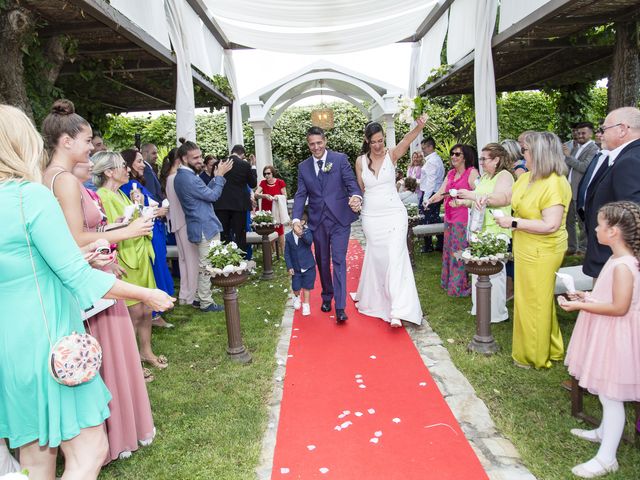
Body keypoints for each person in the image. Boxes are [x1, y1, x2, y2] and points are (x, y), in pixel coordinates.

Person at [0, 103, 173, 480]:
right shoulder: (29, 197)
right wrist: (146, 294)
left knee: (36, 459)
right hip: (52, 348)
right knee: (90, 451)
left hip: (10, 349)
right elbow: (77, 275)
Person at [41, 100, 157, 460]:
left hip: (97, 266)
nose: (93, 146)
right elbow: (74, 238)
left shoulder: (57, 178)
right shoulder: (62, 182)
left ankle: (118, 432)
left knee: (110, 355)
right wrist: (127, 232)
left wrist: (116, 230)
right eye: (88, 139)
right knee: (108, 357)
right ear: (66, 140)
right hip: (89, 278)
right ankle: (114, 436)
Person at [560, 201, 640, 478]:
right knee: (606, 393)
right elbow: (609, 297)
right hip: (609, 329)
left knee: (611, 395)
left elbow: (619, 307)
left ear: (614, 231)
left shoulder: (623, 266)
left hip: (618, 335)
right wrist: (587, 297)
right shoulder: (615, 259)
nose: (595, 228)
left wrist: (580, 306)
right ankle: (604, 431)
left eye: (600, 224)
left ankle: (607, 458)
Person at [495, 131, 571, 369]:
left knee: (534, 302)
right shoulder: (527, 178)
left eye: (525, 150)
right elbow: (508, 197)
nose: (521, 154)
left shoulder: (555, 183)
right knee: (538, 300)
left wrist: (513, 223)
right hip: (526, 246)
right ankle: (553, 347)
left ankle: (533, 356)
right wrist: (477, 197)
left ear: (539, 153)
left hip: (544, 249)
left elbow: (551, 224)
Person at [94, 151, 168, 371]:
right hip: (125, 259)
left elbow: (132, 221)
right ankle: (132, 362)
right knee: (133, 312)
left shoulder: (123, 194)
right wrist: (109, 262)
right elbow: (102, 232)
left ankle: (147, 351)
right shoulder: (102, 196)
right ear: (108, 171)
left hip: (140, 255)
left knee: (146, 308)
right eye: (122, 166)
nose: (127, 170)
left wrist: (139, 206)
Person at [354, 119, 426, 327]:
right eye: (374, 142)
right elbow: (361, 188)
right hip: (371, 217)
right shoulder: (360, 162)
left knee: (395, 257)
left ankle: (398, 309)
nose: (378, 145)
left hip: (394, 214)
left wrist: (419, 126)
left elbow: (406, 140)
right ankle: (380, 300)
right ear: (367, 141)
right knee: (380, 260)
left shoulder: (391, 155)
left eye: (381, 140)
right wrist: (356, 199)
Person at [292, 126, 362, 322]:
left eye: (319, 143)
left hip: (340, 219)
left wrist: (356, 196)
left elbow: (352, 184)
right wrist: (296, 219)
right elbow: (300, 194)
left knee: (339, 260)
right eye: (312, 144)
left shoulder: (339, 160)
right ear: (308, 145)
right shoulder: (303, 167)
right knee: (322, 261)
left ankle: (340, 307)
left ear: (325, 141)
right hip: (318, 221)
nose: (316, 147)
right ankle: (327, 295)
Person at [173, 139, 233, 313]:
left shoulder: (185, 176)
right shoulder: (188, 178)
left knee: (204, 265)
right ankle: (206, 302)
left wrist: (216, 178)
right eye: (195, 158)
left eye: (200, 156)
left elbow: (206, 193)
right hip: (204, 227)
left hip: (202, 226)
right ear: (184, 159)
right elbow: (213, 196)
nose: (200, 160)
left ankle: (200, 298)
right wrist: (220, 177)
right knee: (207, 266)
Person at [456, 143, 514, 323]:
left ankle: (497, 313)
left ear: (497, 159)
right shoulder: (486, 176)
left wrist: (471, 195)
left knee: (495, 273)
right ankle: (480, 308)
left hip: (496, 229)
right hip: (479, 228)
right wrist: (463, 202)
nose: (481, 162)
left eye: (484, 159)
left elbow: (500, 198)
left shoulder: (505, 176)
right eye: (480, 159)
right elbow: (480, 201)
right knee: (478, 271)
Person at [583, 107, 640, 279]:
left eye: (604, 129)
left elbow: (631, 216)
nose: (600, 135)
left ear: (622, 129)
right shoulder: (628, 156)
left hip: (615, 261)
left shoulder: (629, 160)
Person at [120, 149, 175, 328]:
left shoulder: (137, 182)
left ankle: (157, 310)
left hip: (155, 229)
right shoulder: (128, 187)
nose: (143, 165)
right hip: (147, 230)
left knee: (158, 265)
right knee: (156, 268)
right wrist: (156, 211)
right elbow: (136, 210)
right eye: (139, 162)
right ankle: (154, 313)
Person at [427, 144, 480, 297]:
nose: (453, 157)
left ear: (466, 157)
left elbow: (478, 194)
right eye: (452, 154)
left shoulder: (472, 173)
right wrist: (430, 200)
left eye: (457, 154)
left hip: (463, 219)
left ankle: (459, 287)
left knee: (459, 252)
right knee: (449, 251)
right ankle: (448, 283)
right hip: (449, 218)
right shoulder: (450, 173)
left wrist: (464, 200)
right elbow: (442, 193)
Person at [164, 149, 200, 307]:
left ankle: (185, 294)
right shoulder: (177, 179)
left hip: (176, 222)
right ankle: (191, 295)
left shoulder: (169, 178)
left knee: (184, 261)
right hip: (185, 221)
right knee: (192, 261)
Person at [562, 122, 599, 256]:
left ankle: (584, 249)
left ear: (591, 133)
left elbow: (583, 167)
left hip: (581, 190)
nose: (580, 135)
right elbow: (569, 165)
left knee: (582, 222)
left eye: (583, 133)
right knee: (568, 220)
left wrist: (568, 156)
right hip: (569, 189)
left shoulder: (593, 148)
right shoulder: (577, 147)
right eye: (578, 133)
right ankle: (571, 247)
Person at [214, 145, 257, 255]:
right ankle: (240, 262)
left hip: (221, 204)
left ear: (232, 152)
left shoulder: (220, 163)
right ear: (242, 154)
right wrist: (253, 167)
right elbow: (253, 184)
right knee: (240, 235)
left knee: (224, 234)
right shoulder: (245, 165)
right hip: (239, 205)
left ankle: (224, 260)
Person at [284, 211, 316, 317]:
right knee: (296, 286)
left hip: (308, 265)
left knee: (307, 286)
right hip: (296, 267)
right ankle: (297, 297)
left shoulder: (307, 232)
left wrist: (301, 234)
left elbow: (309, 242)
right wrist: (289, 266)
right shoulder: (288, 237)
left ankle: (306, 304)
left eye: (299, 223)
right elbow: (287, 253)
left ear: (303, 223)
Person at [255, 164, 287, 255]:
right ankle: (272, 253)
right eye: (265, 174)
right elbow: (256, 194)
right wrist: (264, 195)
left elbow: (285, 196)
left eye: (268, 173)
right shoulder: (263, 183)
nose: (266, 176)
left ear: (273, 173)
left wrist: (277, 197)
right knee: (269, 231)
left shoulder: (280, 182)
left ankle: (283, 253)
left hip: (277, 210)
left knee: (280, 231)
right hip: (267, 211)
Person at [420, 137, 445, 252]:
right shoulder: (436, 159)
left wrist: (426, 198)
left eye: (424, 148)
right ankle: (440, 244)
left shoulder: (432, 161)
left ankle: (428, 245)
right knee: (435, 218)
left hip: (431, 193)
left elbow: (431, 181)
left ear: (430, 147)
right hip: (435, 192)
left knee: (426, 219)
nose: (422, 151)